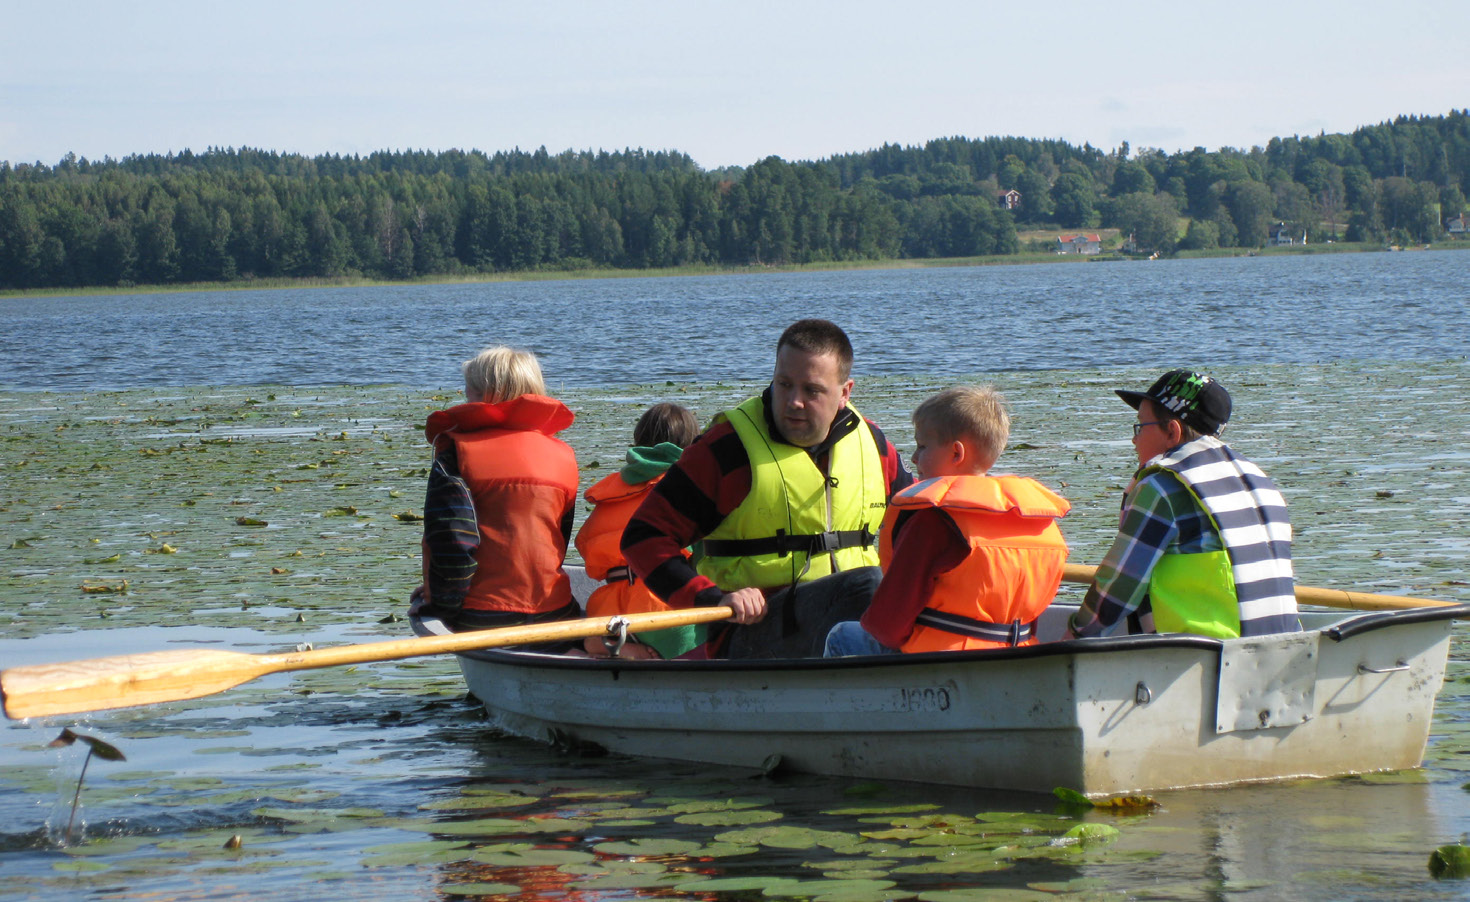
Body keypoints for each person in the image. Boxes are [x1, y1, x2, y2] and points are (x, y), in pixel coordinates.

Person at [622, 319, 913, 659]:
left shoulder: (875, 447)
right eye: (784, 384)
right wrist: (712, 597)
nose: (794, 402)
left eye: (812, 390)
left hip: (851, 624)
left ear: (845, 392)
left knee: (889, 595)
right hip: (751, 632)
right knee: (866, 585)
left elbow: (917, 527)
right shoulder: (729, 449)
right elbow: (642, 537)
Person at [825, 386, 1070, 656]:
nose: (915, 458)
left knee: (842, 636)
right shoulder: (1041, 526)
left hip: (938, 661)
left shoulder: (933, 522)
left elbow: (887, 627)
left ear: (956, 453)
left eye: (922, 446)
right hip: (1013, 657)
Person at [1065, 370, 1299, 639]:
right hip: (1281, 652)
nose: (1134, 439)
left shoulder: (1162, 489)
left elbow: (1118, 587)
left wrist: (1073, 638)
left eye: (1141, 426)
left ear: (1172, 431)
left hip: (1204, 663)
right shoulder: (1261, 482)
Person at [414, 346, 580, 634]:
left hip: (484, 615)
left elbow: (454, 544)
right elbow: (558, 544)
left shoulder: (457, 454)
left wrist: (438, 603)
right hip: (555, 611)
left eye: (469, 391)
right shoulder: (564, 456)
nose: (465, 396)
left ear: (485, 395)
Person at [574, 402, 702, 659]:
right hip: (666, 609)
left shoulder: (611, 492)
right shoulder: (690, 486)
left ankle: (609, 644)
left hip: (609, 607)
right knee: (723, 632)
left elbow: (586, 549)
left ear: (638, 442)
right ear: (692, 445)